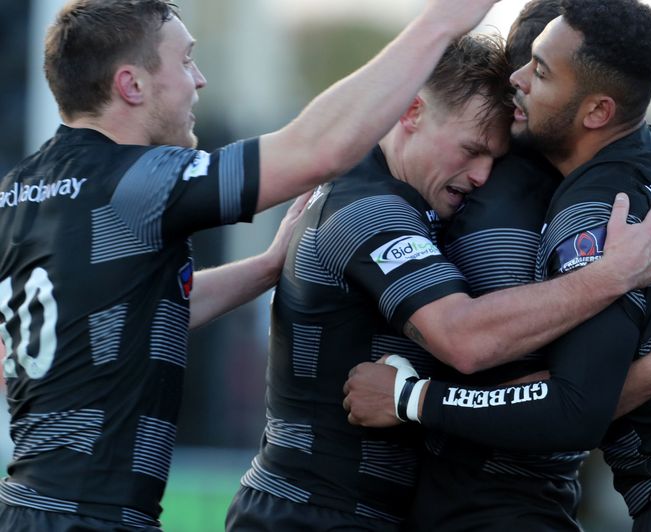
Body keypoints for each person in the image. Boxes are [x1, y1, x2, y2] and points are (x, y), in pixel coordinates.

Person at [0, 0, 508, 529]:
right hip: (89, 518)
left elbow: (123, 313)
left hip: (26, 507)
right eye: (185, 61)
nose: (199, 79)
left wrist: (267, 268)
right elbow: (319, 151)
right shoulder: (135, 182)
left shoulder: (22, 187)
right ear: (132, 85)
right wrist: (441, 22)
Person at [345, 1, 651, 530]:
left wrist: (411, 398)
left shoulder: (595, 211)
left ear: (597, 109)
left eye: (539, 71)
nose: (517, 84)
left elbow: (569, 406)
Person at [225, 31, 651, 531]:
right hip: (308, 516)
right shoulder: (367, 209)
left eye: (495, 159)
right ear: (412, 112)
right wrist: (612, 275)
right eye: (472, 150)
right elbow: (464, 340)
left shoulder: (409, 195)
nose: (483, 176)